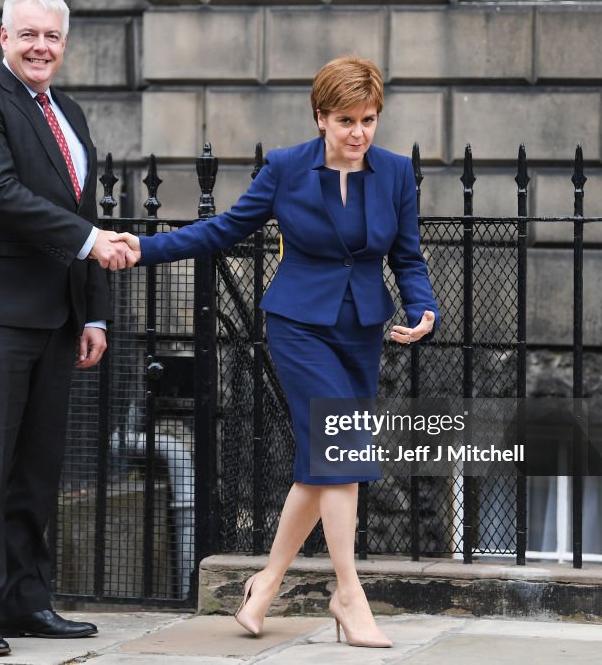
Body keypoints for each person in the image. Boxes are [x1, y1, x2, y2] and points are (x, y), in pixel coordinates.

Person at [124, 56, 438, 648]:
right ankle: (349, 593)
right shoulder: (287, 169)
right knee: (343, 448)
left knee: (321, 466)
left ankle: (266, 583)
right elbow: (222, 231)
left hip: (362, 329)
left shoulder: (396, 174)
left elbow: (407, 256)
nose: (358, 133)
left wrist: (423, 307)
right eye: (345, 120)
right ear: (321, 117)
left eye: (368, 119)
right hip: (298, 324)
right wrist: (143, 249)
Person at [0, 0, 136, 657]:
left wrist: (96, 315)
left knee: (36, 469)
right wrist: (89, 243)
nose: (40, 47)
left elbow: (82, 210)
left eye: (52, 37)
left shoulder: (69, 112)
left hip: (57, 317)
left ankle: (25, 600)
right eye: (28, 35)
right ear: (2, 37)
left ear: (65, 44)